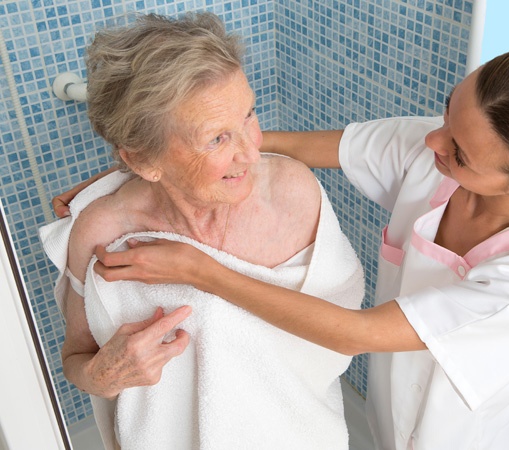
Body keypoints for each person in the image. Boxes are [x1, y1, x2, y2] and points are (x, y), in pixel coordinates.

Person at [59, 44, 509, 449]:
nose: (432, 140)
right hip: (382, 415)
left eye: (459, 153)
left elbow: (357, 332)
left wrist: (202, 271)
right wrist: (145, 171)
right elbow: (308, 147)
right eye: (446, 113)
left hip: (464, 434)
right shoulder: (439, 146)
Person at [39, 12, 364, 450]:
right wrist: (101, 376)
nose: (252, 152)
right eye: (216, 140)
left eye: (249, 113)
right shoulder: (102, 232)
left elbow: (344, 334)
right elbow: (76, 359)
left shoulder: (293, 196)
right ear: (140, 160)